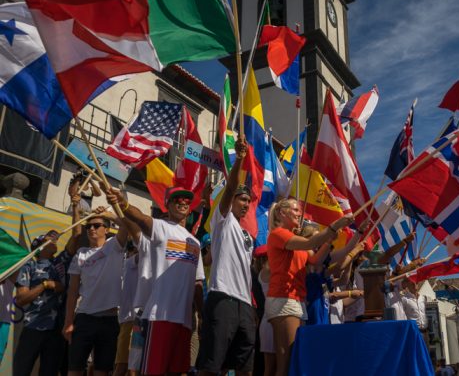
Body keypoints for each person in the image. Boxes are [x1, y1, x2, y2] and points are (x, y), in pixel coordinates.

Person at [105, 185, 205, 376]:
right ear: (167, 205)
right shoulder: (161, 227)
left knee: (177, 372)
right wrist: (123, 204)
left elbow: (197, 284)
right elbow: (140, 218)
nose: (183, 203)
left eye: (186, 200)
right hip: (160, 316)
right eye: (177, 200)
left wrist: (202, 316)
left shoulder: (196, 243)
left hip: (184, 321)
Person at [266, 198, 353, 376]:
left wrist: (328, 241)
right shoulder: (278, 234)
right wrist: (334, 226)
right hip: (284, 299)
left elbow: (315, 260)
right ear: (282, 213)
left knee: (295, 358)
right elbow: (309, 244)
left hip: (296, 300)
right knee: (286, 361)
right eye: (296, 210)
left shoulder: (294, 239)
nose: (300, 214)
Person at [196, 136, 256, 376]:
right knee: (212, 366)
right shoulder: (222, 220)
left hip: (245, 304)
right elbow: (230, 188)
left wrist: (252, 307)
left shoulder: (248, 236)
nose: (246, 204)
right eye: (242, 199)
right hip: (223, 299)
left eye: (249, 201)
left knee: (244, 366)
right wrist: (239, 160)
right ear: (231, 201)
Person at [63, 210, 130, 376]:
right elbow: (72, 292)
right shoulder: (80, 253)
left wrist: (109, 214)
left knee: (102, 371)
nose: (92, 228)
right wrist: (68, 321)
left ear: (106, 229)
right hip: (84, 318)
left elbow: (126, 225)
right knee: (74, 370)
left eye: (97, 225)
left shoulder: (114, 245)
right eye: (89, 226)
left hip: (109, 320)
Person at [13, 232, 65, 376]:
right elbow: (21, 299)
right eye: (49, 239)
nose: (54, 240)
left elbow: (76, 236)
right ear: (40, 246)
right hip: (33, 326)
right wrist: (45, 284)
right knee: (21, 371)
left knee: (49, 372)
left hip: (56, 329)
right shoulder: (29, 265)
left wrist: (75, 208)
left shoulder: (61, 262)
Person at [113, 243, 139, 376]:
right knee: (123, 367)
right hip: (130, 321)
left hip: (142, 321)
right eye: (132, 249)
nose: (134, 252)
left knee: (135, 368)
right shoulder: (129, 263)